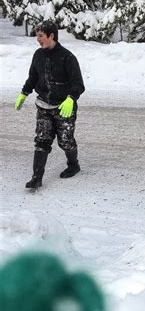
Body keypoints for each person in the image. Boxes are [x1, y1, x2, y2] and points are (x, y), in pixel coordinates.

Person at [14, 20, 85, 189]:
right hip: (44, 105)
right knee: (42, 140)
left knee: (65, 141)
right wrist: (24, 93)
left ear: (51, 36)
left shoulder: (67, 57)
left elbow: (78, 84)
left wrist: (71, 99)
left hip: (63, 107)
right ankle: (36, 177)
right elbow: (33, 77)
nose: (37, 39)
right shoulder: (38, 55)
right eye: (37, 36)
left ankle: (73, 165)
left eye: (40, 36)